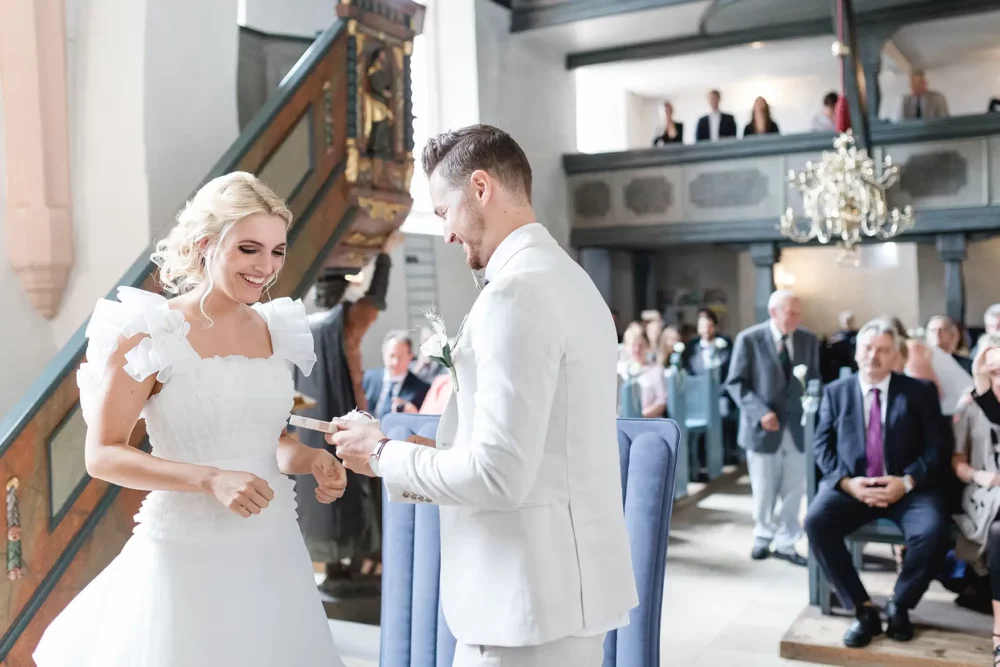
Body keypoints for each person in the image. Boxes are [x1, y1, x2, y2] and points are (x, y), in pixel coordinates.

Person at [330, 124, 638, 667]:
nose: (446, 233)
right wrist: (440, 447)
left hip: (522, 601)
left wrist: (382, 455)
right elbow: (545, 447)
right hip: (568, 591)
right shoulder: (571, 280)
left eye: (443, 210)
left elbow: (499, 477)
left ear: (480, 188)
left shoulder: (514, 295)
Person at [33, 172, 347, 666]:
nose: (266, 267)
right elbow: (102, 455)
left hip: (272, 548)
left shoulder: (276, 329)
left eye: (277, 251)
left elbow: (271, 436)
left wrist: (309, 459)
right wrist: (209, 479)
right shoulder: (152, 332)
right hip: (185, 554)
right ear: (206, 244)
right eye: (249, 249)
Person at [805, 318, 951, 649]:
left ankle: (900, 603)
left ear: (895, 356)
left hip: (908, 488)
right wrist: (846, 483)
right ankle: (862, 609)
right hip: (853, 487)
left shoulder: (918, 392)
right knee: (816, 522)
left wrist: (907, 481)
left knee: (935, 531)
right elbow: (821, 446)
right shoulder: (835, 392)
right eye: (868, 349)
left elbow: (937, 447)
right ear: (856, 353)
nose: (874, 356)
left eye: (883, 350)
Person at [294, 234, 398, 595]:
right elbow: (375, 301)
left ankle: (338, 566)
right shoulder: (343, 320)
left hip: (309, 423)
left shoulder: (300, 325)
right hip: (342, 419)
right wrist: (382, 258)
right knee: (354, 488)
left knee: (321, 489)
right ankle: (356, 563)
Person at [725, 290, 820, 566]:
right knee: (764, 487)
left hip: (798, 427)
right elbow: (736, 383)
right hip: (763, 427)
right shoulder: (749, 339)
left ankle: (787, 541)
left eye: (798, 312)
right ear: (773, 313)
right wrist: (760, 412)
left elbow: (814, 380)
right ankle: (763, 535)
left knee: (794, 488)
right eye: (790, 312)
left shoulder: (808, 340)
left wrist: (812, 407)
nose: (795, 318)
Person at [953, 332, 1000, 660]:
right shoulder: (970, 404)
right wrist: (983, 475)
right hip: (985, 491)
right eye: (994, 370)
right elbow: (957, 460)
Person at [618, 327, 667, 418]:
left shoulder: (657, 370)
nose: (637, 349)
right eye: (633, 345)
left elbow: (661, 402)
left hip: (649, 422)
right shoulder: (620, 369)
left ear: (647, 346)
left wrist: (640, 416)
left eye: (640, 345)